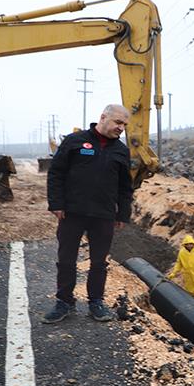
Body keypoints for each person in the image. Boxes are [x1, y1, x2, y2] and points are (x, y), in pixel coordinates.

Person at [44, 104, 134, 323]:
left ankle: (96, 302)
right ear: (103, 117)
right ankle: (64, 302)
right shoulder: (75, 142)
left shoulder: (121, 151)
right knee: (66, 260)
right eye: (118, 123)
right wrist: (56, 203)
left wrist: (122, 214)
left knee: (99, 262)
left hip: (103, 215)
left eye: (124, 125)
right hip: (72, 212)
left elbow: (125, 187)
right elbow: (56, 173)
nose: (121, 128)